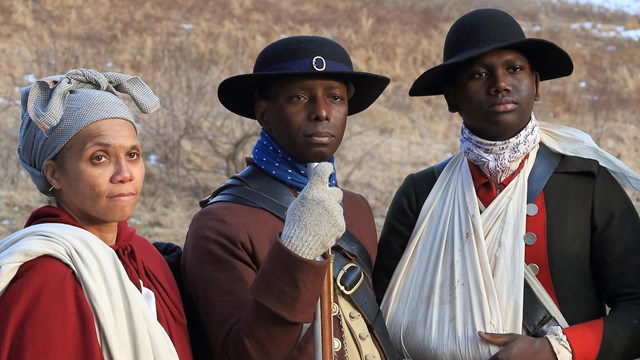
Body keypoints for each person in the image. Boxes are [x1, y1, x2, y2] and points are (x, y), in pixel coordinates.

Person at [373, 8, 640, 360]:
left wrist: (554, 349)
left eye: (514, 69)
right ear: (451, 97)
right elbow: (377, 317)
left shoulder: (587, 186)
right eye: (478, 74)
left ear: (536, 85)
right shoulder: (421, 193)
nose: (500, 83)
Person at [180, 35, 400, 359]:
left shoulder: (356, 207)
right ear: (264, 113)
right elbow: (243, 353)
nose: (322, 112)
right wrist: (298, 251)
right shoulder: (219, 224)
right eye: (299, 98)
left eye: (336, 98)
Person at [0, 68, 192, 359]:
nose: (124, 174)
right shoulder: (46, 279)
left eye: (133, 155)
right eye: (99, 158)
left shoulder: (144, 258)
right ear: (54, 174)